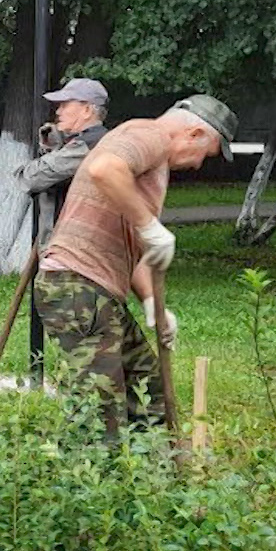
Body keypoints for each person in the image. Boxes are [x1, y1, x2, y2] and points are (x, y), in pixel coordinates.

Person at [32, 95, 237, 434]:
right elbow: (103, 169)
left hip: (95, 290)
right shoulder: (151, 135)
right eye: (207, 153)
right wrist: (149, 225)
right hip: (77, 286)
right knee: (99, 416)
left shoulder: (152, 166)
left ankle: (149, 478)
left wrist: (153, 305)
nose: (199, 165)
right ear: (195, 133)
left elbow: (137, 253)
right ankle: (92, 480)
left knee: (145, 385)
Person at [7, 77, 112, 247]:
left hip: (73, 250)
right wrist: (58, 146)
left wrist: (55, 150)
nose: (58, 112)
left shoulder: (89, 145)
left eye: (65, 105)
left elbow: (29, 178)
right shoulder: (92, 141)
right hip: (74, 246)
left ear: (86, 110)